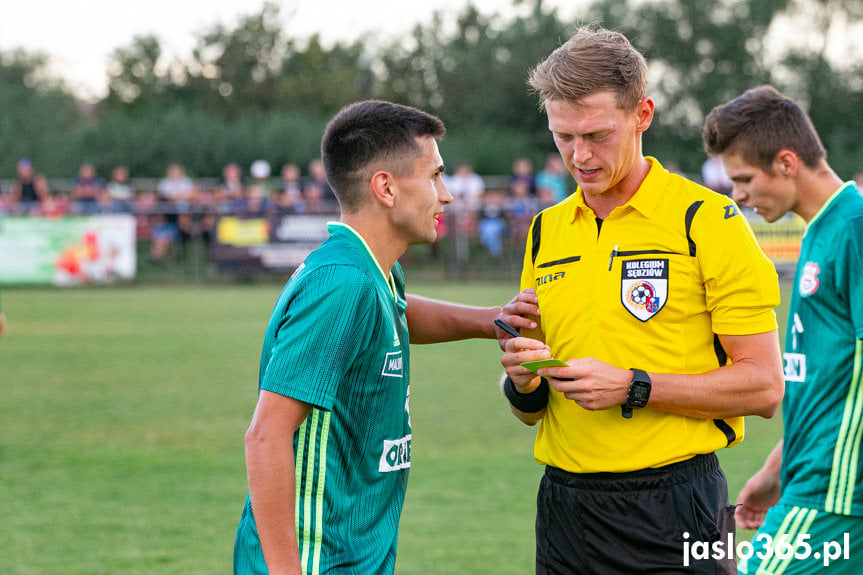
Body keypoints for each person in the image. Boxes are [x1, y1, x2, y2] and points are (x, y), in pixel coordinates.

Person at [499, 26, 785, 573]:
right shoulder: (545, 231)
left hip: (677, 505)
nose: (579, 156)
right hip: (564, 511)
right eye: (563, 137)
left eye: (597, 135)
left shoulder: (706, 221)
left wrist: (633, 385)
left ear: (643, 115)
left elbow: (765, 387)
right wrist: (521, 378)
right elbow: (530, 410)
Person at [232, 99, 538, 575]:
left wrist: (491, 320)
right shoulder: (342, 284)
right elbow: (266, 435)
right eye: (434, 176)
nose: (448, 194)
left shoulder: (372, 272)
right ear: (386, 188)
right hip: (319, 563)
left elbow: (395, 315)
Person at [703, 85, 863, 574]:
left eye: (746, 178)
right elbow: (829, 384)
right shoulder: (821, 232)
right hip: (812, 483)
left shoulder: (854, 229)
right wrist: (776, 470)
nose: (739, 195)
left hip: (832, 496)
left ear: (787, 162)